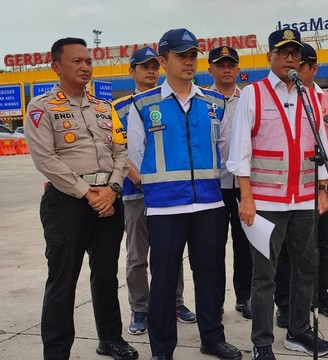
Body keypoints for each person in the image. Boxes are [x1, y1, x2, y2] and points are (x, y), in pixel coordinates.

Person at [126, 28, 241, 360]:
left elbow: (224, 152)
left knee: (210, 274)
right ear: (164, 61)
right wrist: (157, 192)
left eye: (193, 56)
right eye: (182, 56)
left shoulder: (213, 102)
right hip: (164, 208)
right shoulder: (143, 104)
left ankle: (212, 338)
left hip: (209, 203)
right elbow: (134, 156)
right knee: (163, 281)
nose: (189, 62)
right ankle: (162, 349)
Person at [24, 37, 138, 360]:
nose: (85, 66)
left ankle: (110, 339)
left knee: (105, 274)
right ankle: (57, 351)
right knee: (63, 279)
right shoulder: (41, 107)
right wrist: (88, 192)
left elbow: (120, 152)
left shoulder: (105, 107)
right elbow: (46, 160)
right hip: (67, 203)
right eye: (76, 61)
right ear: (56, 66)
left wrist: (112, 189)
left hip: (107, 200)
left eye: (88, 61)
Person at [227, 28, 328, 360]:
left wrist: (322, 191)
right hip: (265, 203)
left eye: (295, 53)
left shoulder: (312, 95)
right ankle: (261, 341)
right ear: (269, 56)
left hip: (303, 200)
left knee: (306, 268)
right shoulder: (253, 94)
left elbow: (321, 147)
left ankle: (299, 331)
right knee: (265, 276)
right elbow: (240, 149)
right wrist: (246, 198)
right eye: (284, 52)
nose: (291, 58)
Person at [111, 46, 197, 337]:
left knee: (172, 251)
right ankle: (140, 308)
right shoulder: (122, 107)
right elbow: (118, 150)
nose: (150, 71)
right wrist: (141, 182)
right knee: (137, 255)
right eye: (143, 67)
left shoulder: (172, 100)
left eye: (153, 66)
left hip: (169, 193)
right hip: (137, 193)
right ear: (131, 71)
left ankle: (175, 302)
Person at [273, 43, 328, 320]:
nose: (295, 69)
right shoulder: (277, 96)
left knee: (320, 246)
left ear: (313, 68)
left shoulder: (326, 100)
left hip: (318, 186)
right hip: (286, 187)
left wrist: (325, 185)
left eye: (301, 65)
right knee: (285, 251)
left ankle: (320, 295)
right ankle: (285, 303)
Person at [207, 45, 253, 319]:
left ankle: (244, 296)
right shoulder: (202, 99)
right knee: (212, 247)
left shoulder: (248, 98)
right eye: (220, 64)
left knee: (244, 245)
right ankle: (214, 300)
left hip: (242, 185)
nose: (226, 69)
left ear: (238, 69)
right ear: (210, 69)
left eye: (230, 64)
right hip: (212, 185)